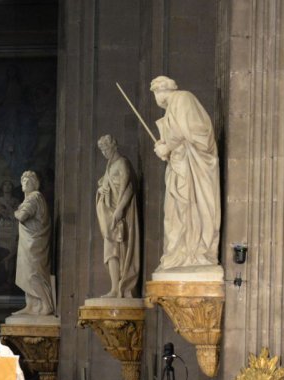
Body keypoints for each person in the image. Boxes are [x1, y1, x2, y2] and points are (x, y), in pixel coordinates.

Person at [149, 76, 221, 271]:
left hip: (192, 168)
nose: (155, 97)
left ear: (160, 91)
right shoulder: (174, 106)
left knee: (189, 208)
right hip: (180, 167)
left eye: (154, 92)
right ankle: (179, 253)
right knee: (175, 213)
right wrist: (166, 148)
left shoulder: (182, 99)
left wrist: (168, 146)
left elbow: (194, 133)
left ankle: (193, 252)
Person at [95, 134, 140, 297]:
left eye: (105, 148)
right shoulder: (109, 166)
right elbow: (103, 184)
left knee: (119, 250)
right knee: (110, 251)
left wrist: (120, 209)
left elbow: (128, 188)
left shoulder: (122, 163)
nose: (104, 152)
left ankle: (120, 287)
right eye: (101, 150)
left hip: (119, 215)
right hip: (108, 214)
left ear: (114, 145)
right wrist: (101, 190)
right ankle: (114, 287)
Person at [13, 170, 56, 315]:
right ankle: (31, 305)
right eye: (23, 181)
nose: (25, 183)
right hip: (28, 243)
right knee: (26, 272)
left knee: (33, 273)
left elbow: (22, 215)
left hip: (34, 244)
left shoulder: (34, 197)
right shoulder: (30, 199)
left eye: (29, 181)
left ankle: (46, 304)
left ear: (35, 184)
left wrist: (15, 212)